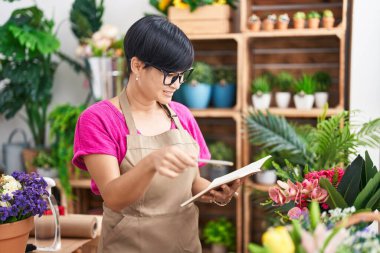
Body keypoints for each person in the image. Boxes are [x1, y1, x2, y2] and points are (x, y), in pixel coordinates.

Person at [72, 15, 242, 253]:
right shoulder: (99, 119)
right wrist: (151, 162)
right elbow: (113, 196)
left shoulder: (182, 115)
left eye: (183, 75)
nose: (177, 84)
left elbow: (192, 183)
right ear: (137, 65)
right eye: (170, 74)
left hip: (184, 246)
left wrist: (213, 191)